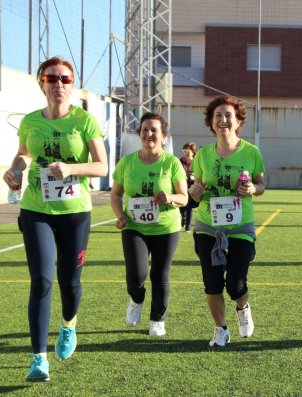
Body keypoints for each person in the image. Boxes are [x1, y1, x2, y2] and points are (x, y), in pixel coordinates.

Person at [2, 57, 108, 381]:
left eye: (64, 78)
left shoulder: (84, 121)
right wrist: (15, 169)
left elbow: (103, 167)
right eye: (52, 78)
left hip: (75, 213)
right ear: (41, 83)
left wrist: (72, 168)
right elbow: (23, 153)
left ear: (71, 84)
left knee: (70, 282)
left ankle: (68, 325)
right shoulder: (31, 122)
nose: (58, 84)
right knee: (42, 281)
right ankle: (38, 359)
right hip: (36, 209)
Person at [188, 96, 266, 347]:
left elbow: (262, 184)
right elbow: (197, 187)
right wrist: (195, 192)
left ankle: (243, 308)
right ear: (211, 122)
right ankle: (220, 329)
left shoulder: (252, 152)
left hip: (240, 226)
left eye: (228, 115)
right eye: (217, 115)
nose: (223, 120)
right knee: (211, 283)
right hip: (207, 225)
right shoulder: (202, 155)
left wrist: (253, 188)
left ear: (238, 120)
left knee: (236, 283)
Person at [110, 113, 188, 337]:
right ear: (139, 135)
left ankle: (157, 319)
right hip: (135, 226)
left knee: (160, 275)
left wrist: (170, 197)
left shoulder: (172, 163)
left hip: (166, 228)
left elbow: (184, 198)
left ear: (164, 136)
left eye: (154, 130)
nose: (149, 134)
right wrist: (120, 215)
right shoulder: (127, 163)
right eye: (145, 130)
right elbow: (116, 194)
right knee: (136, 275)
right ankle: (136, 298)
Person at [179, 141, 198, 232]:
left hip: (193, 187)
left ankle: (188, 227)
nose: (186, 152)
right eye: (184, 150)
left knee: (189, 205)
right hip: (182, 186)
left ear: (193, 151)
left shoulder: (197, 161)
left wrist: (193, 176)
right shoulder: (180, 161)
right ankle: (183, 218)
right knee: (182, 206)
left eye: (188, 150)